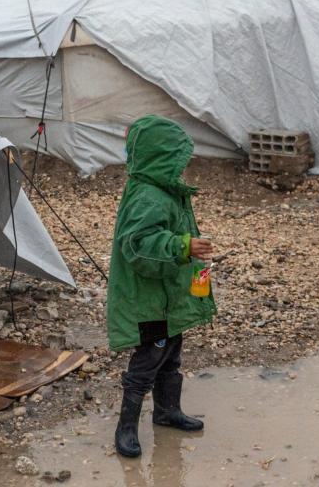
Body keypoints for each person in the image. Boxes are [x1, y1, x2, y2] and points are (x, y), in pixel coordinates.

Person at [107, 115, 217, 458]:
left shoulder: (163, 188)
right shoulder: (150, 196)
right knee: (147, 361)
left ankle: (167, 411)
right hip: (150, 301)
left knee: (170, 356)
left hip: (168, 298)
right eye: (177, 160)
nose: (182, 168)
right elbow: (139, 245)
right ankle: (125, 428)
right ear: (159, 158)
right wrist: (182, 246)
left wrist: (187, 247)